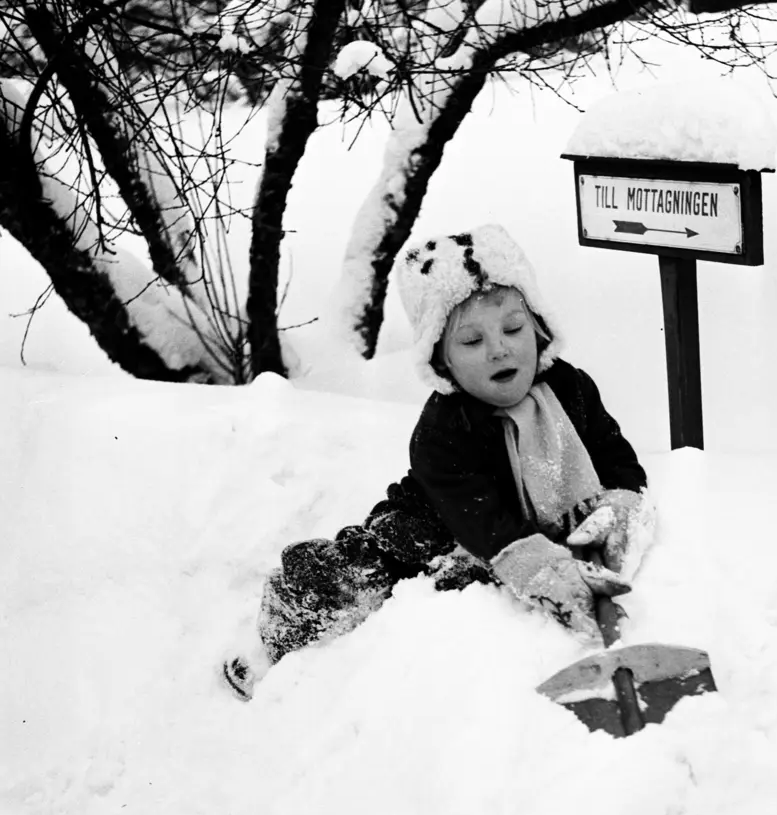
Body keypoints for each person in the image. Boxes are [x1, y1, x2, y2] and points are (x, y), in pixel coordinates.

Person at [222, 224, 654, 700]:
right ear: (441, 361)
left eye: (514, 328)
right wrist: (541, 570)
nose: (500, 348)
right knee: (356, 580)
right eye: (471, 341)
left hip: (500, 532)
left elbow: (612, 451)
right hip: (435, 525)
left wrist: (620, 502)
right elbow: (482, 520)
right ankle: (276, 638)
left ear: (539, 328)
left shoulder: (570, 389)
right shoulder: (444, 431)